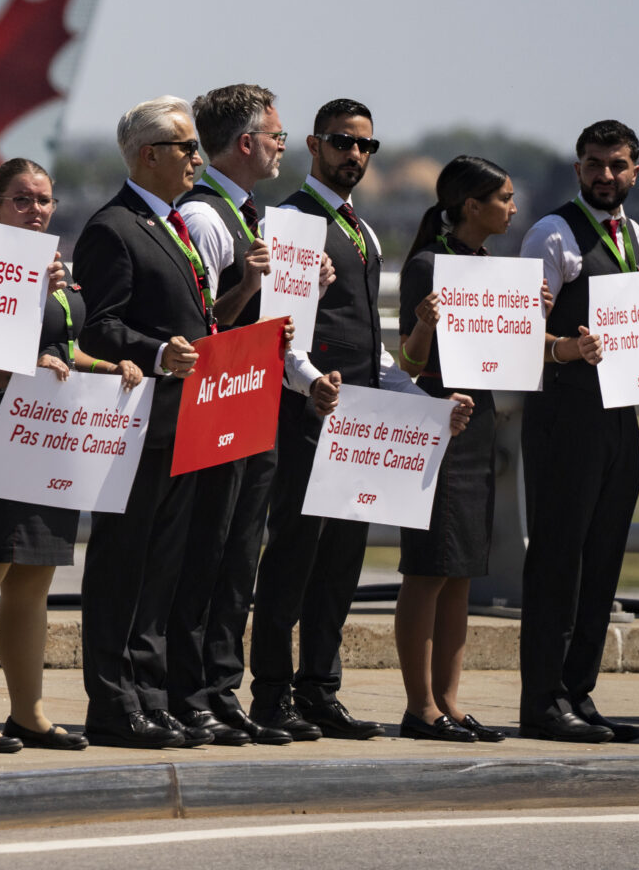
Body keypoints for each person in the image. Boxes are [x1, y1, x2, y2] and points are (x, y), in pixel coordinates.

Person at [248, 99, 470, 742]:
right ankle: (271, 694)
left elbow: (370, 342)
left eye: (365, 146)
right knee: (293, 556)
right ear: (314, 145)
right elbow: (280, 328)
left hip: (360, 418)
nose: (354, 155)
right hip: (308, 413)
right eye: (342, 142)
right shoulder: (291, 222)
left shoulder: (363, 232)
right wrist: (309, 382)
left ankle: (320, 689)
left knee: (341, 562)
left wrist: (417, 396)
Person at [0, 158, 136, 753]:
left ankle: (29, 713)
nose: (36, 210)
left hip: (48, 437)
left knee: (34, 578)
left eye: (44, 200)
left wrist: (110, 367)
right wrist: (26, 360)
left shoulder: (55, 267)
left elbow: (63, 349)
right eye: (22, 200)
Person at [71, 96, 221, 749]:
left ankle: (151, 696)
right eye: (187, 148)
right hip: (136, 425)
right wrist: (157, 353)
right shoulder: (114, 227)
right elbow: (98, 327)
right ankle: (112, 702)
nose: (198, 159)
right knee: (122, 566)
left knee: (162, 570)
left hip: (183, 422)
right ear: (149, 155)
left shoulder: (174, 224)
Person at [165, 83, 297, 746]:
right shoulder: (206, 218)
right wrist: (249, 287)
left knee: (240, 557)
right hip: (216, 407)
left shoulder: (250, 216)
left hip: (254, 401)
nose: (282, 147)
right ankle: (190, 692)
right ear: (246, 143)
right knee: (206, 556)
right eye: (276, 136)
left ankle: (221, 689)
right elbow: (204, 323)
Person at [517, 120, 639, 743]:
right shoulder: (552, 233)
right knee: (557, 560)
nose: (605, 175)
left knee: (603, 558)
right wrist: (566, 349)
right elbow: (517, 331)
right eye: (593, 164)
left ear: (635, 172)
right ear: (577, 169)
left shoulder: (637, 237)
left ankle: (579, 692)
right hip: (565, 414)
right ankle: (543, 700)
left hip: (619, 413)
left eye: (616, 164)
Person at [393, 156, 524, 744]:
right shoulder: (428, 265)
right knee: (428, 569)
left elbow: (506, 355)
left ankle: (448, 700)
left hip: (479, 424)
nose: (512, 208)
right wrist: (425, 324)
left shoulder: (489, 267)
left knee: (462, 571)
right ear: (472, 206)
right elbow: (409, 363)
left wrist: (533, 317)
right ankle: (419, 706)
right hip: (439, 423)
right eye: (504, 198)